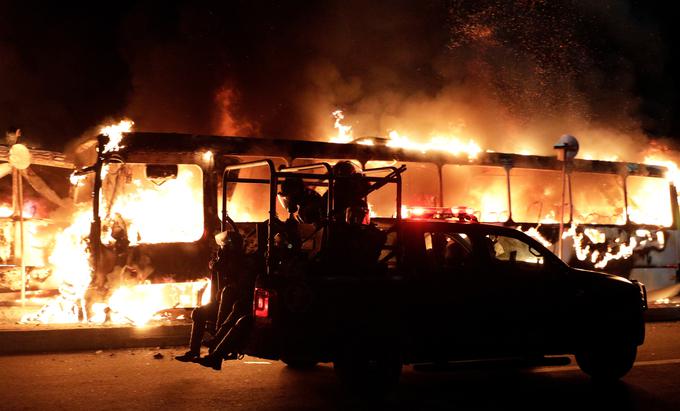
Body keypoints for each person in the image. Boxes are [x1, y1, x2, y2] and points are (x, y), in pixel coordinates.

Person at [175, 230, 244, 363]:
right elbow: (216, 266)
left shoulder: (238, 261)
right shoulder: (227, 259)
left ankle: (215, 353)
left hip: (231, 307)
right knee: (198, 313)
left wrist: (217, 262)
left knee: (205, 313)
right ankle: (194, 351)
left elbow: (226, 269)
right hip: (219, 304)